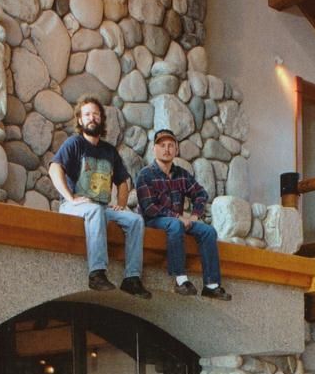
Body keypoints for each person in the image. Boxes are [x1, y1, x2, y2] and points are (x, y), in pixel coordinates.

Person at [49, 96, 151, 297]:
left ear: (101, 120)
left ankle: (132, 278)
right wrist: (70, 198)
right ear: (80, 120)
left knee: (135, 220)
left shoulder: (109, 151)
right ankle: (96, 274)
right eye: (87, 114)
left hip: (102, 207)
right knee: (94, 210)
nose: (92, 118)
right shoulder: (74, 144)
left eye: (95, 114)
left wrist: (121, 204)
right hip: (75, 206)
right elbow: (54, 168)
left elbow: (123, 180)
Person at [136, 128, 231, 300]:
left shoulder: (181, 174)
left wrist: (195, 215)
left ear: (176, 150)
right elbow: (149, 208)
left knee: (208, 231)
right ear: (154, 149)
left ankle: (211, 284)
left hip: (177, 223)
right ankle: (180, 279)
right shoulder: (145, 174)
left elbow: (201, 194)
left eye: (171, 145)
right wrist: (177, 216)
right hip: (153, 222)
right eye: (162, 145)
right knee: (175, 224)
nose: (167, 149)